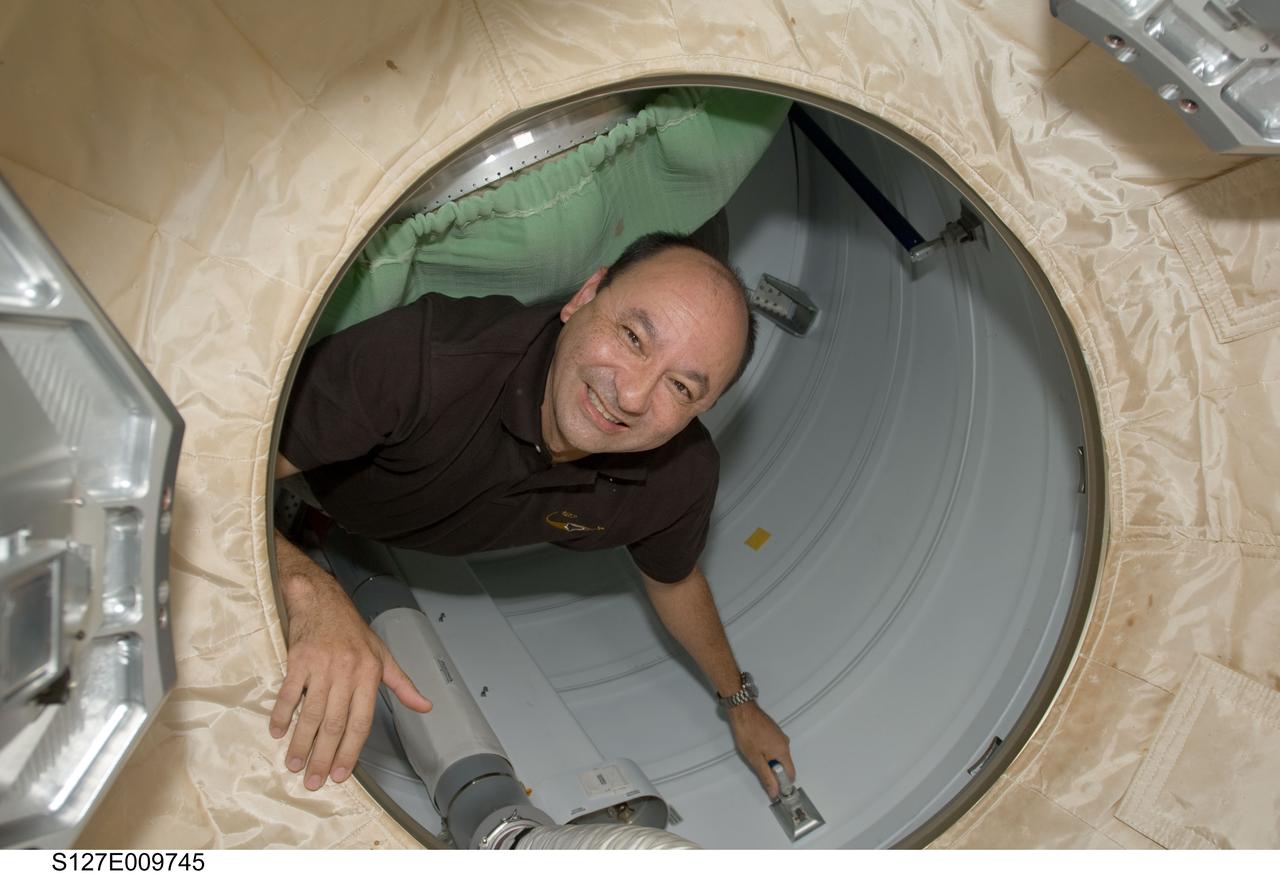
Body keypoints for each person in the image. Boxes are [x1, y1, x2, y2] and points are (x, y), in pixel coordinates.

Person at [270, 231, 795, 802]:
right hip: (309, 471)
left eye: (680, 386)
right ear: (585, 295)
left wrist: (740, 705)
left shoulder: (679, 476)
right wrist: (308, 588)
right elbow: (212, 470)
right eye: (633, 336)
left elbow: (675, 580)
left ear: (703, 411)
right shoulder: (423, 360)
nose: (633, 395)